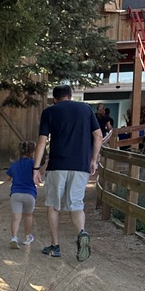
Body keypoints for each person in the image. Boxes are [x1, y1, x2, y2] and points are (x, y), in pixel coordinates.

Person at [33, 85, 102, 262]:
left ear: (55, 98)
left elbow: (42, 141)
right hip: (80, 166)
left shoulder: (50, 112)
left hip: (57, 165)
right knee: (76, 205)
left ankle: (55, 246)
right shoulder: (86, 109)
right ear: (70, 96)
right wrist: (93, 160)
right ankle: (82, 232)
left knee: (54, 205)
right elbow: (98, 136)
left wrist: (36, 168)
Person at [6, 141, 37, 249]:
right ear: (32, 152)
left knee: (16, 217)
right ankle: (27, 238)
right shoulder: (34, 164)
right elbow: (40, 172)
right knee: (28, 216)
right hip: (30, 194)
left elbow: (7, 178)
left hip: (16, 194)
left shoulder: (14, 164)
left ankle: (14, 237)